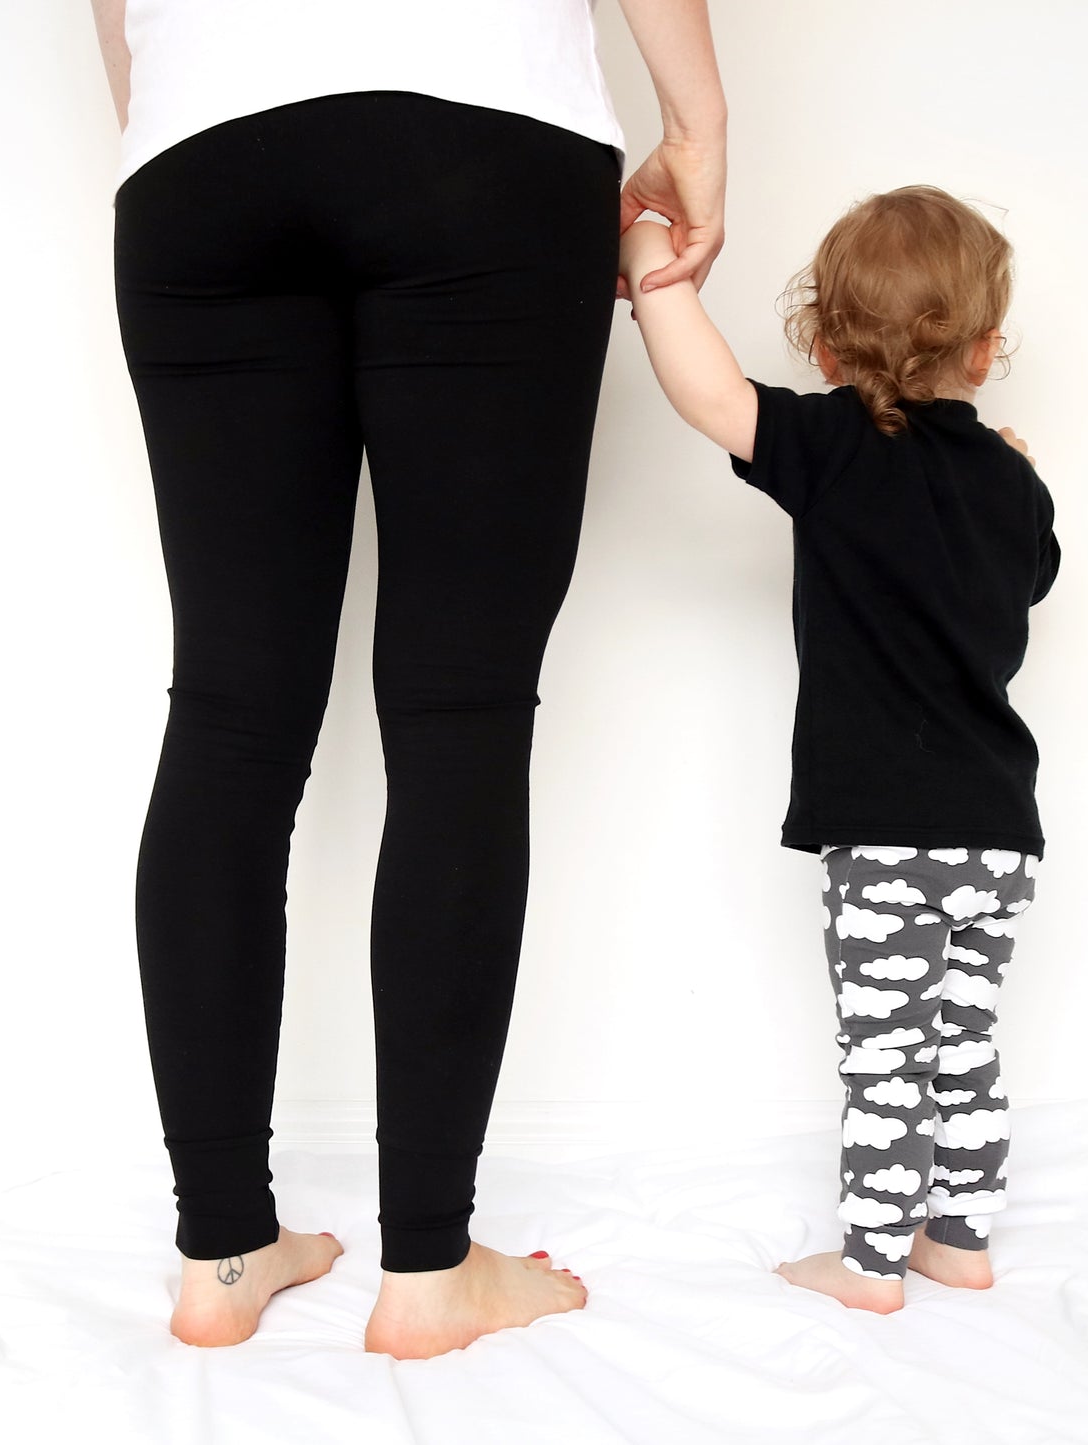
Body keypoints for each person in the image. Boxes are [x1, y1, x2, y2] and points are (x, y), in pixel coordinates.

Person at [87, 0, 727, 1358]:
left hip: (199, 156)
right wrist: (696, 126)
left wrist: (178, 120)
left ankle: (221, 1251)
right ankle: (428, 1270)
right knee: (459, 717)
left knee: (229, 712)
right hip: (480, 129)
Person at [619, 186, 1059, 1313]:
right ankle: (957, 1239)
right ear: (983, 347)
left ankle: (869, 1261)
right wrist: (1005, 468)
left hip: (888, 832)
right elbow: (1026, 579)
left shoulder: (832, 446)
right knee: (963, 1039)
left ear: (823, 345)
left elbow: (707, 390)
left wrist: (646, 245)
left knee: (885, 1054)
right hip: (998, 831)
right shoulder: (1015, 484)